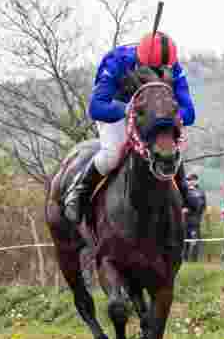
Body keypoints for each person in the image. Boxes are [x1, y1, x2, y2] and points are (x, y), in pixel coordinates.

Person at [63, 31, 197, 224]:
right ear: (142, 60)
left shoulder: (173, 66)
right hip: (117, 110)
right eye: (155, 69)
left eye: (163, 69)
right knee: (112, 155)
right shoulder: (117, 62)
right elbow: (96, 107)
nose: (161, 73)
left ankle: (184, 187)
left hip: (153, 116)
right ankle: (79, 192)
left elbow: (189, 112)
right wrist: (128, 109)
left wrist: (166, 115)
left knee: (167, 144)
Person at [182, 172, 207, 261]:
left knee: (195, 241)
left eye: (192, 180)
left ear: (196, 180)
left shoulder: (200, 192)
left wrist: (190, 210)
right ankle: (184, 259)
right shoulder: (185, 191)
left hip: (195, 221)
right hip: (185, 220)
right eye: (188, 180)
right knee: (185, 241)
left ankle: (194, 260)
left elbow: (202, 206)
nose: (190, 182)